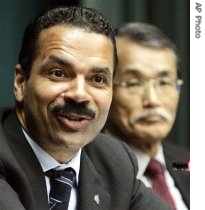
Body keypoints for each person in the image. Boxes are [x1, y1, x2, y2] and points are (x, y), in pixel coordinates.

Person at [0, 6, 172, 210]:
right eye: (58, 73)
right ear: (21, 83)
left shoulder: (114, 160)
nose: (80, 94)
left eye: (98, 79)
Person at [105, 22, 190, 210]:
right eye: (133, 83)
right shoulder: (84, 170)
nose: (152, 100)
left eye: (163, 82)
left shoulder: (188, 162)